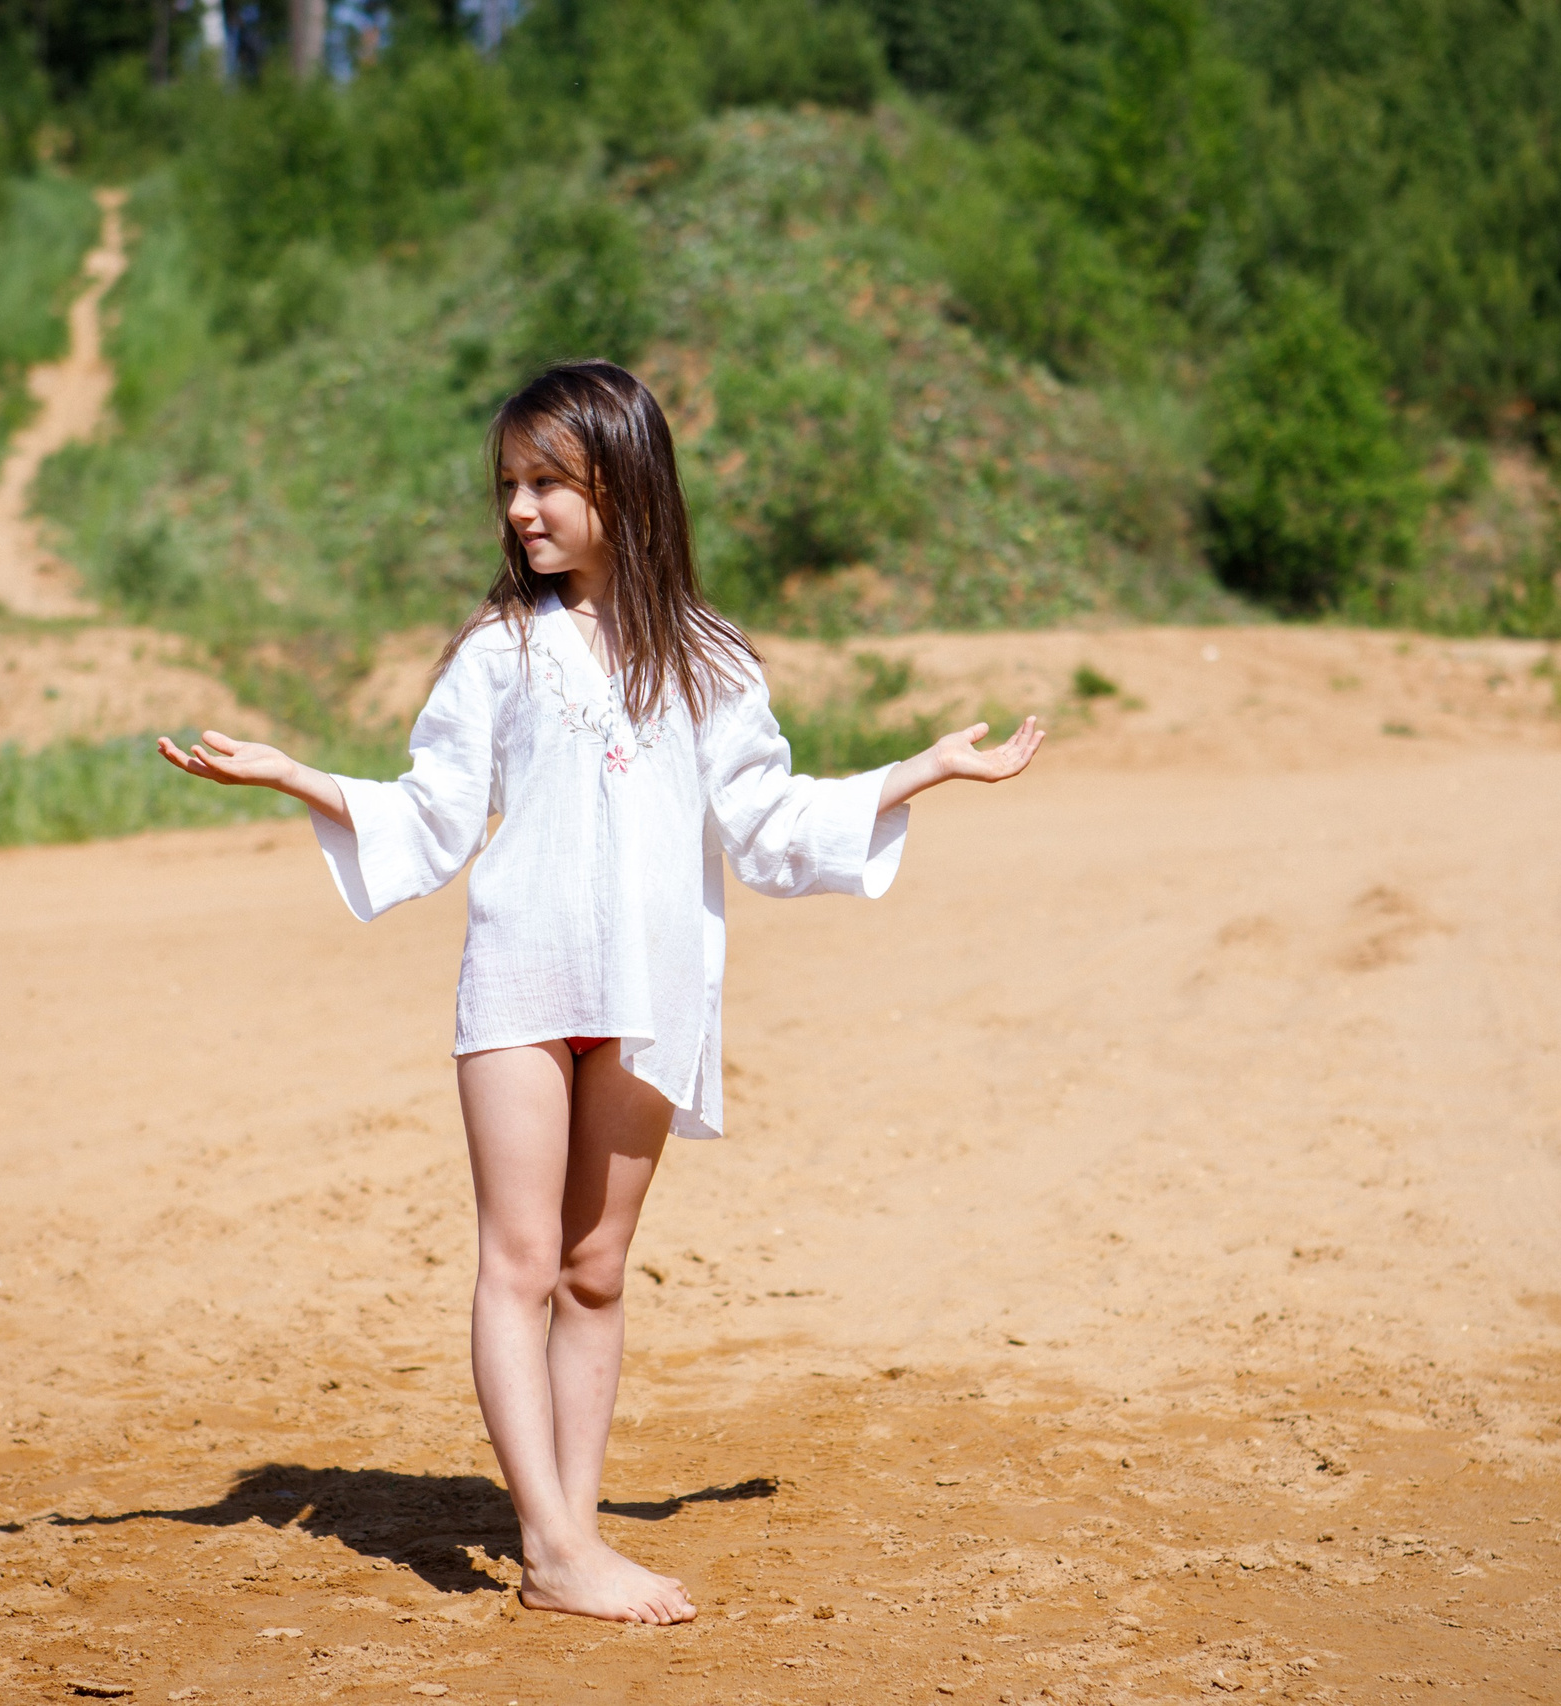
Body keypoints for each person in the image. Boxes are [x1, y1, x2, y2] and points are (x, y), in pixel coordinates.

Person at [157, 360, 1044, 1624]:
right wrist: (296, 770)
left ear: (624, 486)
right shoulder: (498, 651)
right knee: (515, 1260)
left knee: (595, 1268)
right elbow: (431, 814)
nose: (520, 509)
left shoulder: (711, 658)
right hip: (521, 979)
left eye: (547, 483)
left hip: (649, 990)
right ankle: (557, 1541)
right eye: (508, 484)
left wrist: (922, 768)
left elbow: (772, 821)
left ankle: (570, 1536)